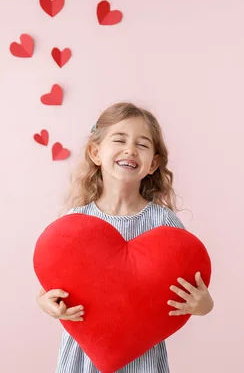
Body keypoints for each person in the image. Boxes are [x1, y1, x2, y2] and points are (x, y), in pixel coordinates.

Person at [36, 102, 214, 372]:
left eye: (142, 145)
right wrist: (47, 303)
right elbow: (52, 286)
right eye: (119, 139)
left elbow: (192, 286)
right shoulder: (75, 223)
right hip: (85, 355)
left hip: (142, 356)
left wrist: (203, 305)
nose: (130, 149)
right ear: (95, 152)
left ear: (153, 163)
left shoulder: (163, 223)